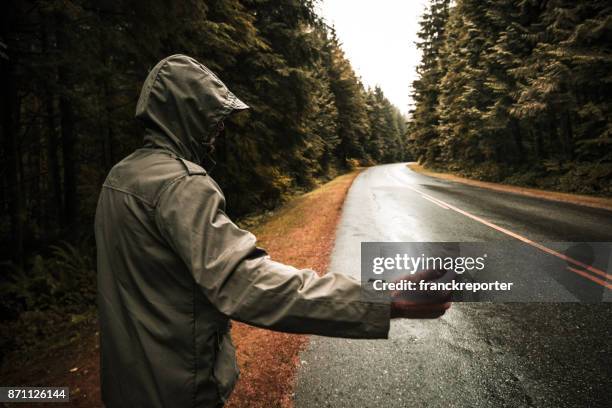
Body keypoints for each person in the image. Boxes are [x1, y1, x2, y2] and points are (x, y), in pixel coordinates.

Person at [95, 54, 450, 408]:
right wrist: (384, 299)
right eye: (212, 116)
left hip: (127, 386)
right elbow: (247, 283)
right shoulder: (182, 185)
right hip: (178, 391)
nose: (220, 129)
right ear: (186, 115)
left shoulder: (120, 178)